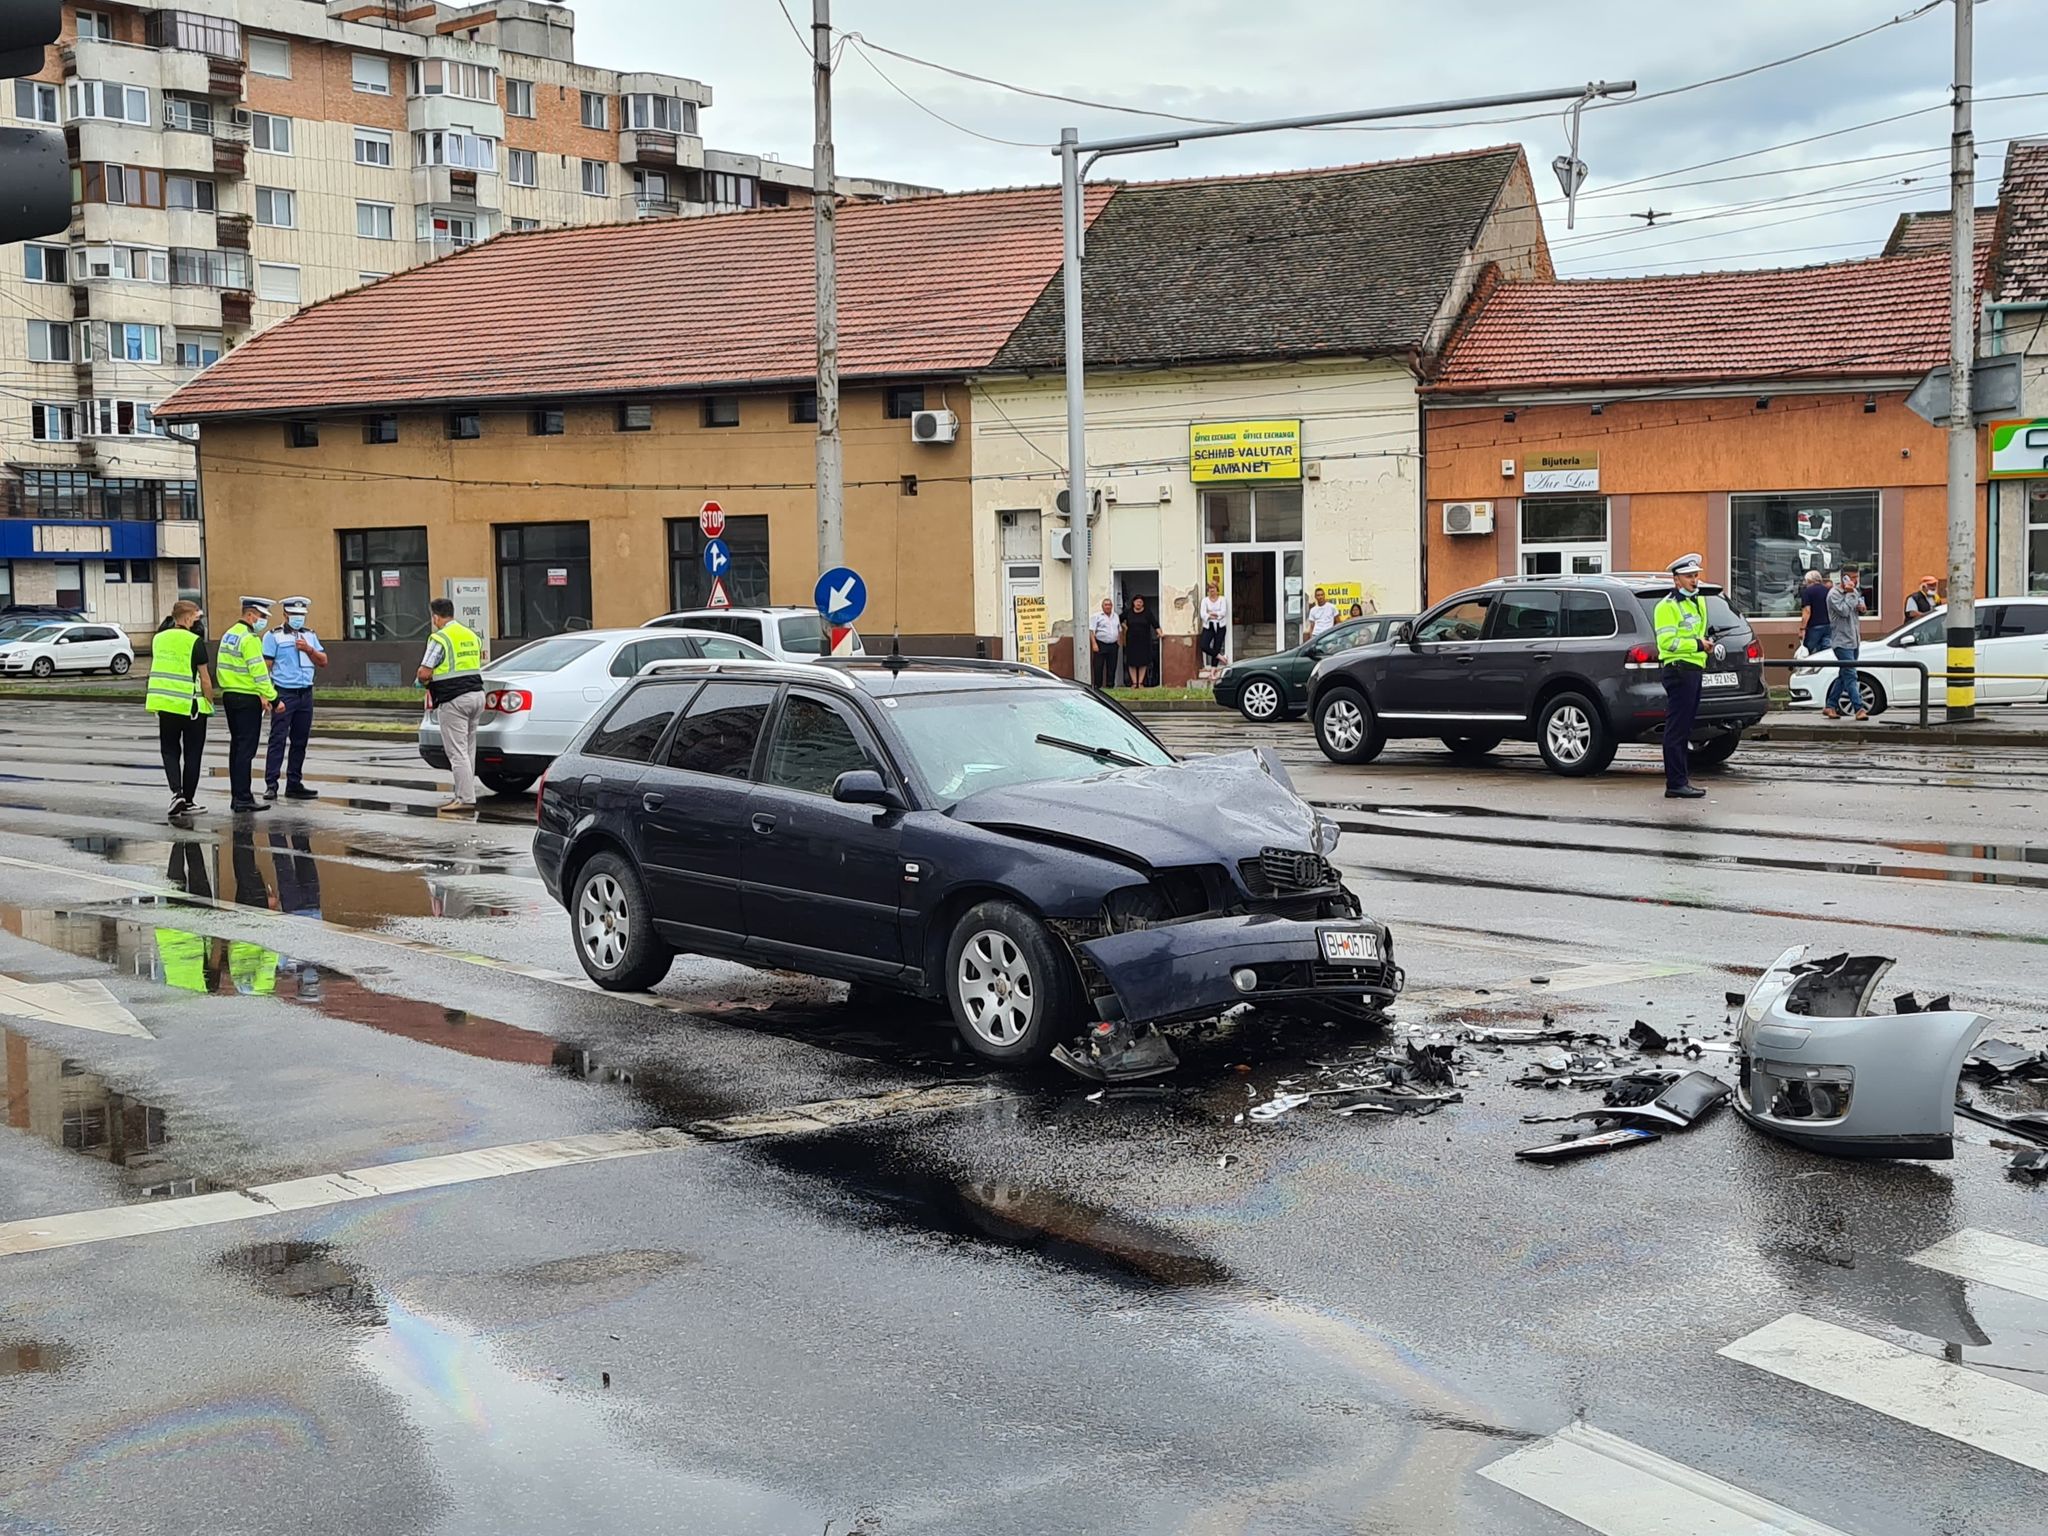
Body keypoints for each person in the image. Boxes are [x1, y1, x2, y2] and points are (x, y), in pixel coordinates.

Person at [1653, 553, 1714, 800]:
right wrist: (1698, 644)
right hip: (1678, 670)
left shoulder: (1697, 603)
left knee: (1685, 727)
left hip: (1694, 670)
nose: (1694, 580)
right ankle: (1676, 782)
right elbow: (1667, 642)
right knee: (1677, 729)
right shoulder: (1666, 607)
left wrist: (1705, 643)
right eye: (1689, 576)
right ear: (1676, 580)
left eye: (1696, 575)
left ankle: (1680, 780)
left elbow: (1698, 631)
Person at [215, 596, 284, 813]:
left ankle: (238, 796)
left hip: (230, 695)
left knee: (237, 748)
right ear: (251, 614)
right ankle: (243, 797)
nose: (263, 621)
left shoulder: (229, 634)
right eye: (262, 616)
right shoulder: (250, 638)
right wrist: (274, 698)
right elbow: (259, 672)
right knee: (246, 749)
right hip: (246, 698)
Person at [146, 599, 214, 819]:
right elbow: (205, 678)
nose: (197, 621)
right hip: (191, 707)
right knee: (193, 754)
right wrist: (210, 702)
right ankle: (188, 799)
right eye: (196, 617)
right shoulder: (194, 641)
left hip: (165, 706)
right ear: (187, 618)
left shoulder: (158, 639)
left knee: (170, 751)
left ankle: (177, 793)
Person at [417, 597, 484, 812]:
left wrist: (422, 681)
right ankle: (466, 792)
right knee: (468, 749)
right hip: (477, 695)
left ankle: (465, 798)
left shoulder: (440, 638)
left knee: (457, 752)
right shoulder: (471, 635)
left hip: (454, 699)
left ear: (435, 616)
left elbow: (425, 671)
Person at [262, 595, 327, 801]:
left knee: (300, 740)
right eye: (294, 615)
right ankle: (271, 784)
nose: (299, 618)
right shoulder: (274, 636)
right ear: (285, 615)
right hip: (284, 692)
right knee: (278, 739)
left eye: (302, 615)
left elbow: (323, 661)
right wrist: (265, 693)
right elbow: (266, 666)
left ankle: (294, 783)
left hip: (305, 693)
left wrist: (308, 649)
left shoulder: (310, 635)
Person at [1825, 566, 1869, 721]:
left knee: (1844, 675)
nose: (1855, 581)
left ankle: (1830, 705)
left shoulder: (1854, 592)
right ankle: (1859, 708)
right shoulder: (1834, 595)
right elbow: (1843, 611)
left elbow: (1857, 610)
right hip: (1841, 641)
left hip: (1854, 639)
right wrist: (1850, 595)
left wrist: (1861, 607)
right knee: (1851, 675)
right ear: (1844, 578)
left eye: (1857, 577)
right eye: (1852, 577)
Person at [1120, 594, 1159, 688]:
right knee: (1132, 662)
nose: (1139, 603)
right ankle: (1134, 683)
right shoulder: (1128, 612)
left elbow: (1155, 624)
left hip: (1144, 641)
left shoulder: (1147, 613)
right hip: (1131, 641)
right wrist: (1125, 627)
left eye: (1140, 602)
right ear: (1133, 603)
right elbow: (1118, 619)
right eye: (1137, 601)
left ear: (1143, 604)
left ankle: (1140, 683)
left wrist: (1159, 633)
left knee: (1143, 662)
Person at [1087, 597, 1121, 690]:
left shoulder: (1116, 616)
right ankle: (1098, 686)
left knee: (1112, 666)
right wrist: (1094, 644)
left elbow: (1119, 629)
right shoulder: (1097, 616)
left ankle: (1110, 685)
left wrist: (1119, 641)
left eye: (1109, 605)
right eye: (1106, 605)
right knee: (1098, 666)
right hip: (1100, 644)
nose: (1108, 607)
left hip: (1113, 645)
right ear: (1102, 606)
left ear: (1112, 606)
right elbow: (1091, 631)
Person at [1799, 570, 1832, 657]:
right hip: (1828, 625)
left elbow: (1807, 611)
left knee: (1808, 652)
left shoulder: (1807, 592)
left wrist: (1802, 628)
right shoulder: (1828, 591)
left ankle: (1810, 669)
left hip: (1814, 626)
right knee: (1826, 652)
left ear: (1809, 581)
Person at [1198, 582, 1228, 669]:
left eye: (1213, 588)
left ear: (1217, 590)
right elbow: (1203, 614)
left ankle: (1213, 671)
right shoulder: (1205, 600)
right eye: (1210, 589)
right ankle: (1220, 657)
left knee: (1217, 646)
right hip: (1208, 626)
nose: (1212, 590)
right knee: (1204, 645)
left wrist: (1211, 613)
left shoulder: (1222, 599)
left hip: (1220, 626)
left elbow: (1223, 613)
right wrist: (1211, 616)